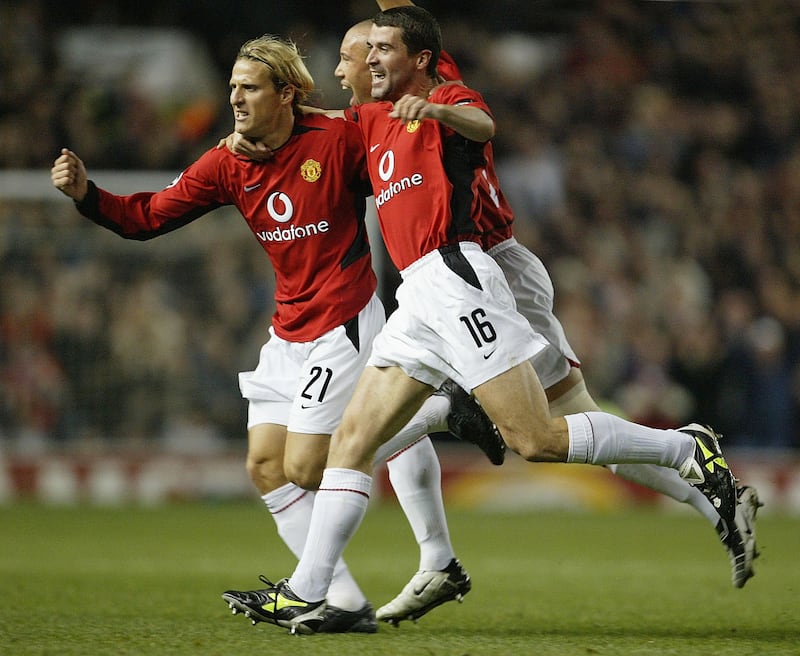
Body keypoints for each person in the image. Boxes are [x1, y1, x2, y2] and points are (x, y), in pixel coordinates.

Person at [223, 5, 761, 628]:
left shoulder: (439, 86)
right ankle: (316, 588)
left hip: (474, 269)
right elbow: (309, 123)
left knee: (539, 436)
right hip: (421, 296)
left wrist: (437, 110)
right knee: (351, 441)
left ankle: (682, 448)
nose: (359, 63)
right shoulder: (368, 116)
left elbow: (481, 122)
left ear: (413, 54)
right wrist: (252, 132)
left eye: (372, 49)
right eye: (356, 53)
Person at [50, 33, 502, 634]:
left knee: (310, 465)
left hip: (345, 318)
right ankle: (341, 600)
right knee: (266, 467)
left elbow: (404, 156)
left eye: (250, 87)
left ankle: (438, 414)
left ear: (286, 94)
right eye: (232, 87)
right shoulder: (226, 162)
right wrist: (87, 196)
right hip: (288, 330)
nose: (235, 98)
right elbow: (149, 217)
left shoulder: (337, 137)